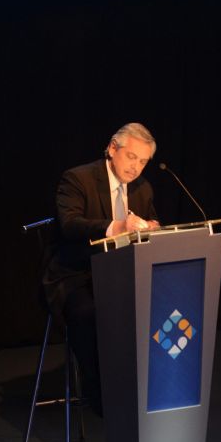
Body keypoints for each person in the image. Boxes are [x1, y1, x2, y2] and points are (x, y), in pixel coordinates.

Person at [43, 123, 161, 414]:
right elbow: (69, 225)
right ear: (112, 148)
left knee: (161, 307)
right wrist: (117, 227)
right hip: (77, 275)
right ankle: (103, 394)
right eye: (131, 157)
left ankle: (146, 390)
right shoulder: (78, 179)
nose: (136, 168)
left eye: (143, 161)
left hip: (123, 274)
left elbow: (152, 222)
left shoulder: (143, 188)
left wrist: (153, 228)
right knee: (90, 314)